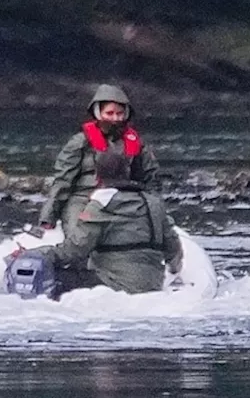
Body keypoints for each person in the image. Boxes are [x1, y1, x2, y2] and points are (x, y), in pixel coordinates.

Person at [30, 152, 184, 297]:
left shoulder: (101, 204)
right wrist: (175, 270)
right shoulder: (154, 203)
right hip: (153, 284)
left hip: (112, 285)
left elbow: (75, 250)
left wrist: (40, 254)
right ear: (127, 173)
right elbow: (173, 247)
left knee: (49, 275)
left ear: (97, 177)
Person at [37, 83, 160, 237]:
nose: (115, 119)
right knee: (80, 237)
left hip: (125, 200)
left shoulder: (138, 145)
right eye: (109, 113)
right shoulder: (79, 142)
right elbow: (63, 181)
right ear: (98, 113)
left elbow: (152, 181)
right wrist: (48, 217)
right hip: (83, 200)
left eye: (119, 113)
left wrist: (157, 214)